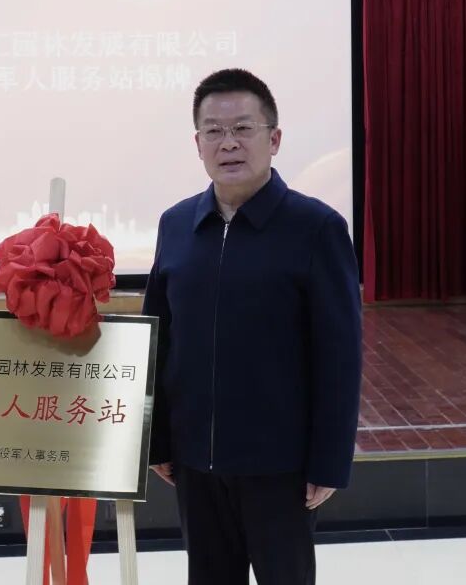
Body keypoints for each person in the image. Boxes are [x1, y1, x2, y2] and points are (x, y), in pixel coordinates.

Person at [143, 68, 362, 585]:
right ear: (198, 144)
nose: (229, 143)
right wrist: (158, 442)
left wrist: (329, 461)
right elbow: (159, 339)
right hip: (195, 461)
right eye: (214, 131)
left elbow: (339, 355)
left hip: (280, 465)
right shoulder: (177, 225)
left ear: (274, 139)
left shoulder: (316, 228)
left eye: (243, 128)